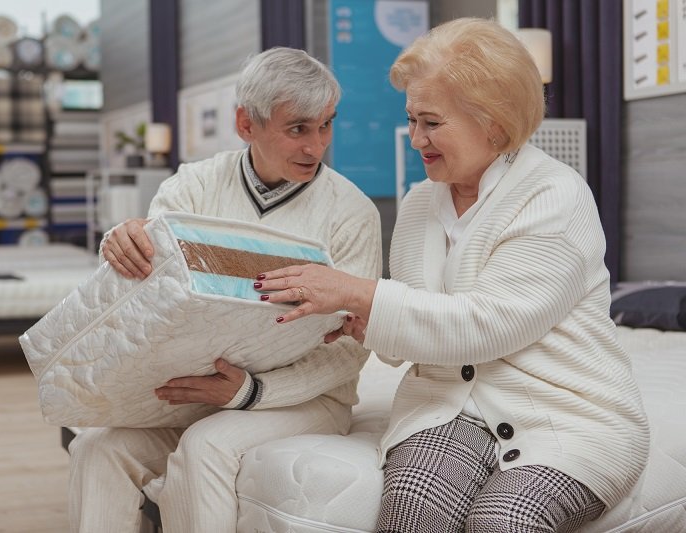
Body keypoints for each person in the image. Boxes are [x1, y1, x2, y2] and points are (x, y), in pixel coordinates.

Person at [254, 18, 649, 533]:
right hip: (445, 408)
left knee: (503, 520)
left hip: (568, 416)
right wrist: (363, 323)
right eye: (411, 119)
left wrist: (360, 292)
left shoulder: (555, 195)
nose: (415, 138)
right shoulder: (419, 204)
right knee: (412, 508)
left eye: (432, 123)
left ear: (495, 123)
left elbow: (490, 325)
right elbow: (412, 337)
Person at [67, 46, 382, 533]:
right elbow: (151, 296)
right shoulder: (192, 186)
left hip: (307, 400)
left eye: (325, 126)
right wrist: (120, 242)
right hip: (200, 390)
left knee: (205, 445)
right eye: (298, 128)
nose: (316, 146)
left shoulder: (353, 213)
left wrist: (252, 391)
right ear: (245, 124)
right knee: (96, 446)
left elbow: (349, 352)